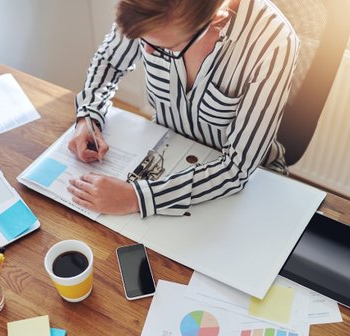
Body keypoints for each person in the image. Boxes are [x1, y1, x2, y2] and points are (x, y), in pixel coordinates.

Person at [67, 0, 298, 218]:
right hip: (168, 157)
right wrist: (88, 116)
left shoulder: (275, 43)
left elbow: (236, 168)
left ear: (215, 21)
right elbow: (109, 61)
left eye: (164, 47)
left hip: (242, 186)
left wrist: (137, 198)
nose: (146, 51)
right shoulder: (150, 7)